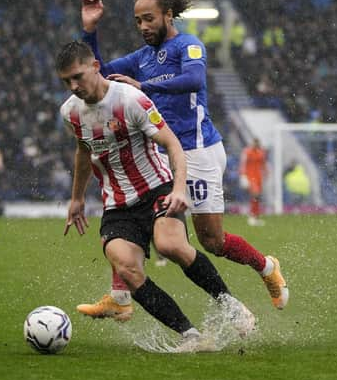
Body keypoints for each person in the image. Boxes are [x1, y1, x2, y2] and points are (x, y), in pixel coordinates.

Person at [79, 0, 288, 319]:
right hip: (161, 154)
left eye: (149, 19)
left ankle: (266, 266)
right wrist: (90, 31)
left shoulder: (188, 45)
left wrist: (143, 86)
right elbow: (98, 73)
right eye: (137, 21)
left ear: (168, 15)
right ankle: (120, 295)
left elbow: (193, 79)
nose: (143, 26)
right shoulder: (142, 57)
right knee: (132, 212)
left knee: (212, 241)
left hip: (198, 150)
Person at [56, 41, 254, 351]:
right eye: (66, 81)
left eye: (78, 76)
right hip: (117, 204)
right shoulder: (70, 112)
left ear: (95, 66)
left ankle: (230, 304)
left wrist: (178, 189)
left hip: (157, 188)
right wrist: (77, 198)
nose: (73, 86)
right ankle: (191, 335)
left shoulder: (131, 99)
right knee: (127, 268)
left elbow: (173, 144)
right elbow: (83, 151)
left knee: (170, 245)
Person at [239, 138, 268, 226]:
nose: (256, 144)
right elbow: (242, 164)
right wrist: (243, 175)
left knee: (257, 197)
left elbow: (263, 164)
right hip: (250, 177)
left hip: (258, 177)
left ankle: (255, 217)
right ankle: (252, 216)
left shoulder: (261, 152)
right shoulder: (247, 152)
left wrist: (266, 173)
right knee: (255, 195)